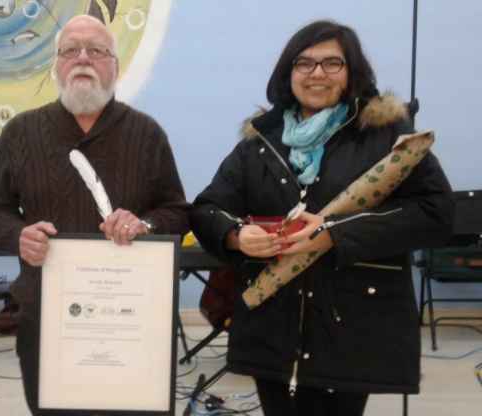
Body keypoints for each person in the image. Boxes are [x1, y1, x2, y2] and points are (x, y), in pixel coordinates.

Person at [190, 20, 455, 416]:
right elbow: (207, 208)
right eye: (305, 63)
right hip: (271, 330)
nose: (317, 73)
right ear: (288, 72)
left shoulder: (384, 136)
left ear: (352, 73)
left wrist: (334, 232)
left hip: (351, 330)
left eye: (333, 63)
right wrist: (236, 234)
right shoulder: (260, 142)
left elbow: (436, 212)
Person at [0, 15, 190, 416]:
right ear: (56, 65)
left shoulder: (147, 134)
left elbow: (177, 211)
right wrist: (18, 234)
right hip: (44, 314)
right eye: (70, 49)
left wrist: (146, 224)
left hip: (131, 315)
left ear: (116, 66)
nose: (83, 58)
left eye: (97, 50)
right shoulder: (20, 133)